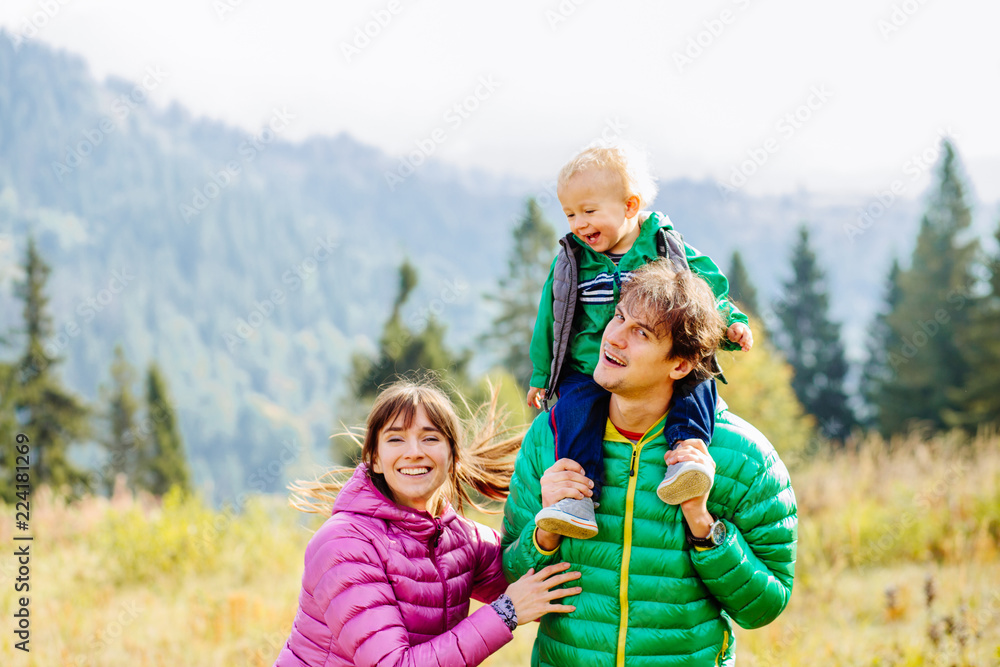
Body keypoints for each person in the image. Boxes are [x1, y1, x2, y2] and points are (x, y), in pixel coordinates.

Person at [503, 262, 797, 666]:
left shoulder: (744, 458)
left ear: (680, 364)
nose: (613, 338)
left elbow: (763, 606)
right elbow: (510, 577)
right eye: (619, 317)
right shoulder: (551, 437)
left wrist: (702, 523)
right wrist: (545, 532)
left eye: (641, 333)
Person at [526, 142, 754, 539]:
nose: (579, 223)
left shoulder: (665, 246)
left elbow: (704, 291)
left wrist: (730, 323)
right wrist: (543, 373)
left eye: (590, 211)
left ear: (630, 207)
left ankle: (686, 458)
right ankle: (577, 498)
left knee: (697, 383)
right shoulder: (573, 259)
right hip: (588, 364)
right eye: (570, 214)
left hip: (659, 361)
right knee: (575, 411)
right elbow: (551, 315)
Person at [274, 380, 581, 667]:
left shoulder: (462, 540)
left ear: (453, 457)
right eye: (396, 438)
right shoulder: (345, 545)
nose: (414, 452)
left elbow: (531, 582)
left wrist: (548, 527)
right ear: (376, 460)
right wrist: (506, 613)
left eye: (430, 438)